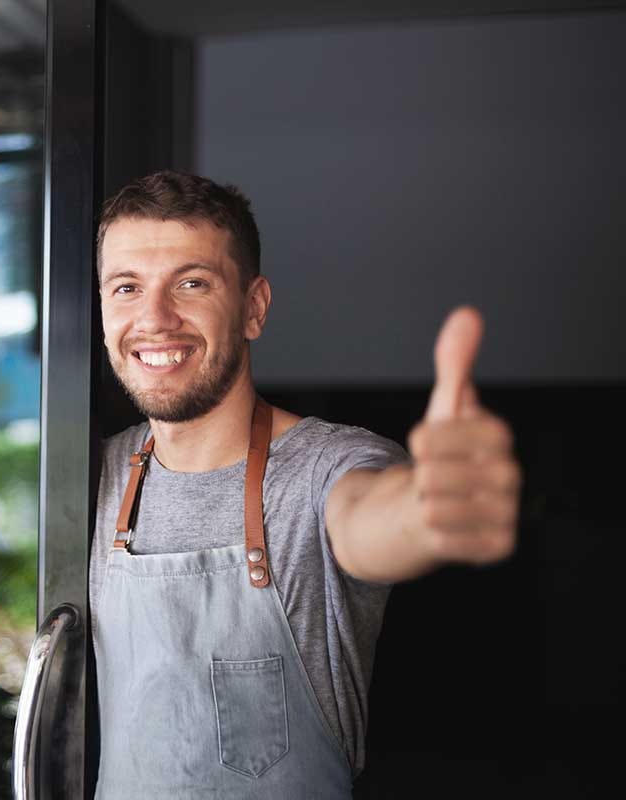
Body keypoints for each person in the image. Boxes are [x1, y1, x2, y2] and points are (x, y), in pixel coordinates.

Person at [90, 171, 520, 799]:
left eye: (192, 283)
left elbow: (372, 515)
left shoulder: (324, 467)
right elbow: (24, 651)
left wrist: (429, 510)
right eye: (127, 287)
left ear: (254, 308)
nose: (154, 318)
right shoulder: (95, 476)